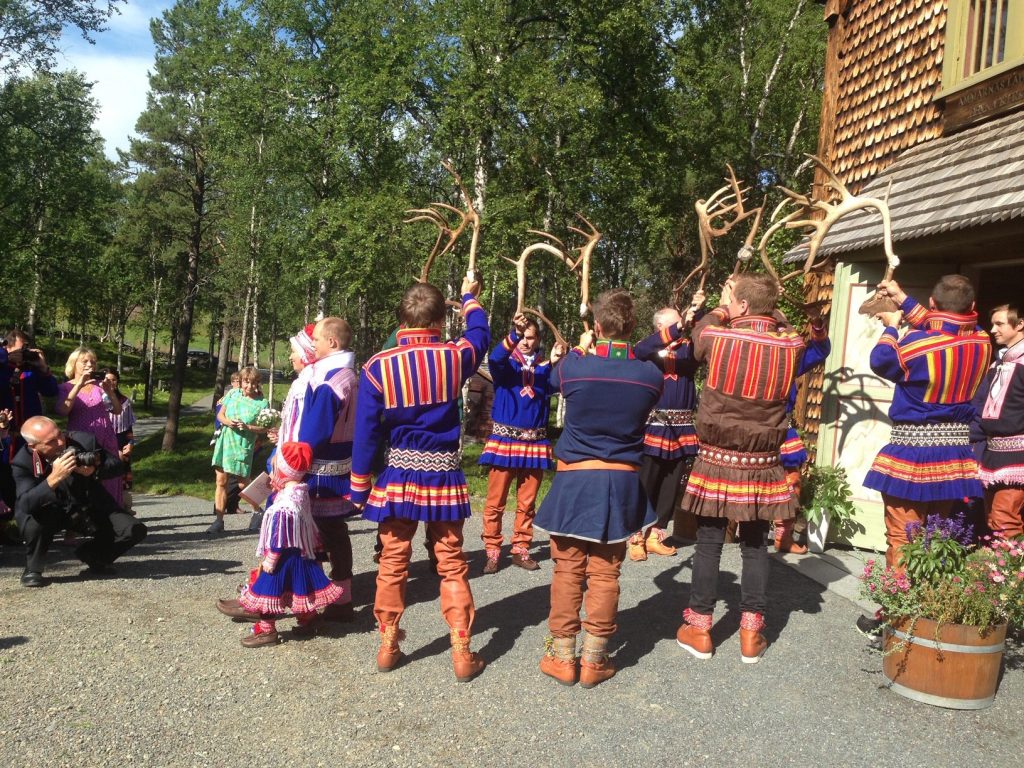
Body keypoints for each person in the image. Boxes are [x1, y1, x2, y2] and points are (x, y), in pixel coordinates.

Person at [350, 275, 489, 681]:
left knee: (393, 562)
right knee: (451, 563)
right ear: (439, 323)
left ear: (401, 320)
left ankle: (389, 644)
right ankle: (462, 650)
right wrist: (468, 296)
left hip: (399, 475)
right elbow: (479, 332)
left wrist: (359, 484)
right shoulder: (454, 356)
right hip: (442, 472)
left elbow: (367, 432)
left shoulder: (378, 367)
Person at [675, 274, 808, 664]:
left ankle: (700, 628)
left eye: (735, 302)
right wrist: (764, 305)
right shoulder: (790, 345)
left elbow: (699, 332)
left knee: (709, 542)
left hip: (717, 457)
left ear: (743, 307)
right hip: (764, 462)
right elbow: (788, 328)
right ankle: (751, 633)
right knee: (755, 545)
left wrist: (721, 305)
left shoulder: (720, 337)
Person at [534, 289, 662, 688]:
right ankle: (595, 658)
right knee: (607, 573)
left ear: (598, 326)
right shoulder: (651, 376)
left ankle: (562, 656)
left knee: (568, 569)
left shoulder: (575, 367)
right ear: (633, 326)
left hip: (577, 477)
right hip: (622, 480)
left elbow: (549, 380)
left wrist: (581, 348)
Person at [855, 276, 991, 638]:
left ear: (932, 301)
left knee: (901, 536)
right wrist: (902, 298)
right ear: (971, 307)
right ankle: (926, 612)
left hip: (913, 451)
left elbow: (882, 362)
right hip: (954, 455)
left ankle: (895, 619)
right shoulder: (981, 341)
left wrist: (891, 328)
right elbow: (941, 330)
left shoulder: (915, 343)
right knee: (935, 536)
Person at [216, 324, 319, 622]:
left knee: (283, 548)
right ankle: (285, 605)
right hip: (290, 460)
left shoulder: (309, 383)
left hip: (293, 467)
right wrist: (281, 435)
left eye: (294, 352)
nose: (290, 357)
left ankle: (263, 605)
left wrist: (285, 451)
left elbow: (307, 430)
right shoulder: (304, 382)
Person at [12, 416, 147, 587]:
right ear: (34, 446)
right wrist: (53, 479)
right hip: (51, 510)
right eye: (51, 441)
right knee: (33, 520)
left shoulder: (82, 440)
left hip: (86, 504)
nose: (61, 442)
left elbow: (117, 466)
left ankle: (94, 555)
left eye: (59, 434)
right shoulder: (23, 462)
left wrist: (94, 469)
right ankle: (33, 568)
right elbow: (26, 504)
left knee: (134, 530)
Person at [235, 441, 344, 646]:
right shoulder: (301, 492)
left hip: (283, 558)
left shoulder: (284, 505)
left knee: (267, 592)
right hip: (301, 554)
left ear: (283, 470)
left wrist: (271, 559)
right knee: (300, 588)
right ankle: (308, 620)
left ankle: (266, 631)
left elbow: (279, 536)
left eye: (275, 466)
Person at [478, 313, 563, 573]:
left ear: (538, 340)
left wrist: (559, 361)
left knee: (527, 503)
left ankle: (521, 549)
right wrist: (513, 335)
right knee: (496, 501)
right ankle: (492, 551)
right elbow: (494, 358)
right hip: (505, 441)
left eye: (530, 337)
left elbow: (559, 384)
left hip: (535, 443)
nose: (525, 342)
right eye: (522, 337)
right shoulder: (506, 368)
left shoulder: (544, 369)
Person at [630, 297, 703, 561]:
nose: (680, 327)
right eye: (675, 323)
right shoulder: (647, 348)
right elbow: (638, 351)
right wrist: (676, 328)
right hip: (654, 425)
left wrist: (698, 311)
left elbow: (702, 343)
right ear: (661, 326)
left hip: (682, 427)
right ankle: (635, 536)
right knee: (646, 481)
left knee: (671, 485)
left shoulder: (688, 349)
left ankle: (655, 534)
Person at [298, 316, 360, 622]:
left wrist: (294, 459)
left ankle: (324, 594)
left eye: (318, 340)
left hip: (321, 466)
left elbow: (315, 430)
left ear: (332, 343)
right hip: (340, 462)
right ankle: (340, 594)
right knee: (335, 531)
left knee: (319, 532)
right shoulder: (347, 375)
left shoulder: (329, 380)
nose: (314, 345)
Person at [774, 309, 831, 554]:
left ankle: (783, 536)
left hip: (782, 429)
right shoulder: (743, 350)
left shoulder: (789, 359)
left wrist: (817, 325)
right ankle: (743, 535)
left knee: (791, 483)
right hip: (751, 429)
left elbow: (820, 350)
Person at [972, 304, 1024, 538]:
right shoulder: (998, 364)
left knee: (1005, 520)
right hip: (992, 452)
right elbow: (982, 405)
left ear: (1020, 324)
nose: (993, 329)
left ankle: (1011, 574)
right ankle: (995, 573)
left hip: (1018, 455)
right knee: (993, 519)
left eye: (1000, 324)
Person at [56, 347, 124, 509]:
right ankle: (77, 525)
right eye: (85, 361)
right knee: (82, 480)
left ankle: (110, 519)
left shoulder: (99, 386)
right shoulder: (65, 388)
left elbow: (117, 410)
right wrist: (79, 385)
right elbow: (62, 410)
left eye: (93, 361)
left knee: (109, 477)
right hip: (81, 441)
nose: (90, 364)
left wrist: (110, 392)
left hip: (106, 438)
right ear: (74, 365)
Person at [0, 330, 58, 509]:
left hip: (29, 439)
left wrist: (42, 367)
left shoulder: (31, 370)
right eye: (22, 347)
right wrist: (6, 360)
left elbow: (51, 391)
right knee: (4, 479)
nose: (26, 351)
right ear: (7, 347)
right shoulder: (2, 368)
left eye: (28, 347)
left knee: (30, 477)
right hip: (5, 435)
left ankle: (30, 515)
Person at [208, 366, 269, 534]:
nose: (249, 386)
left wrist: (248, 426)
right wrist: (228, 422)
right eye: (246, 382)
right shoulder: (233, 394)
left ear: (258, 383)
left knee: (243, 483)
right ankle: (219, 520)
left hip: (243, 444)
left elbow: (265, 428)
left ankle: (258, 510)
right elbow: (220, 415)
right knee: (221, 481)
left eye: (253, 383)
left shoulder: (262, 403)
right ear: (241, 382)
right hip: (225, 441)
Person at [105, 370, 136, 512]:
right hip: (104, 443)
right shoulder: (97, 401)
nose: (110, 383)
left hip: (121, 442)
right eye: (107, 379)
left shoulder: (124, 402)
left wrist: (130, 444)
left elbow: (128, 427)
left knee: (123, 476)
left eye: (114, 380)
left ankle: (125, 508)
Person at [210, 372, 241, 447]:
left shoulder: (242, 394)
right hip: (224, 421)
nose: (236, 383)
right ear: (231, 383)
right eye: (234, 381)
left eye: (238, 381)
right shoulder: (230, 393)